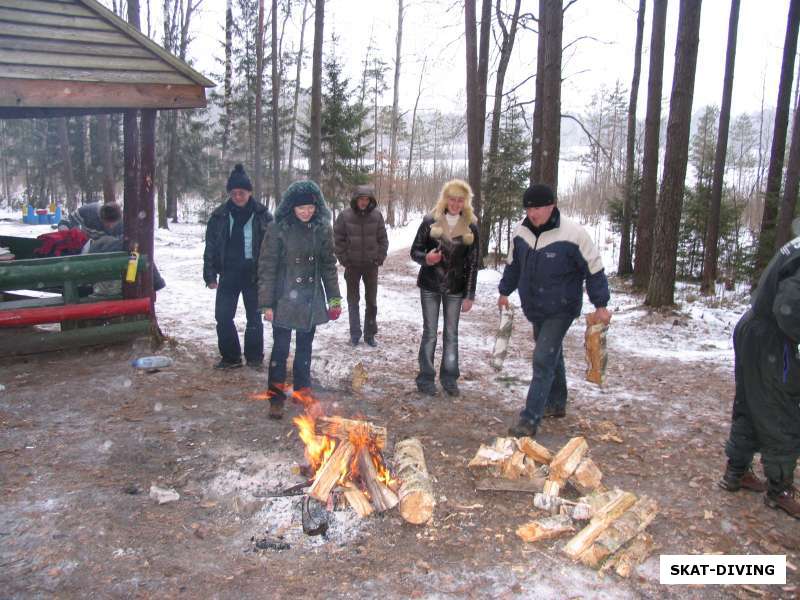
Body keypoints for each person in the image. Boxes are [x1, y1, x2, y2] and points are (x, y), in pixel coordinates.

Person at [498, 183, 611, 438]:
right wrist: (504, 291)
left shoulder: (573, 234)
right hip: (535, 306)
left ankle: (529, 420)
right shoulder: (521, 232)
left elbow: (594, 269)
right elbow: (513, 265)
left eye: (537, 208)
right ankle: (556, 402)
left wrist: (601, 304)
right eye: (528, 208)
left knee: (542, 358)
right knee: (550, 353)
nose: (532, 213)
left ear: (552, 206)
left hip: (562, 307)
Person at [718, 237, 800, 518]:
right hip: (772, 339)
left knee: (751, 405)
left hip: (753, 327)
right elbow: (788, 308)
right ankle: (780, 490)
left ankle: (736, 471)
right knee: (780, 411)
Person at [258, 180, 342, 420]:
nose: (307, 212)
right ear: (291, 208)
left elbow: (328, 265)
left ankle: (302, 392)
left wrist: (334, 299)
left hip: (310, 298)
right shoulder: (278, 229)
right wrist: (266, 303)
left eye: (310, 207)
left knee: (305, 349)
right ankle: (275, 397)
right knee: (280, 350)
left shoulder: (322, 229)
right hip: (283, 298)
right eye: (301, 208)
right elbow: (267, 267)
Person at [410, 179, 479, 397]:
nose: (456, 204)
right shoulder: (430, 221)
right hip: (430, 284)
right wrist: (427, 258)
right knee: (430, 333)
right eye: (452, 199)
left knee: (451, 334)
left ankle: (449, 378)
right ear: (445, 199)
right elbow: (415, 251)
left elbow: (473, 264)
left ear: (465, 202)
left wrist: (469, 294)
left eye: (460, 200)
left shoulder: (471, 226)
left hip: (456, 288)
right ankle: (425, 378)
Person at [203, 164, 273, 369]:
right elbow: (211, 247)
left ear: (249, 192)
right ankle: (231, 357)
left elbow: (272, 249)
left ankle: (254, 357)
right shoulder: (219, 216)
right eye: (234, 193)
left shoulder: (263, 215)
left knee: (254, 318)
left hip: (253, 275)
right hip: (228, 274)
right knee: (223, 317)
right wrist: (209, 274)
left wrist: (271, 275)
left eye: (241, 192)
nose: (238, 197)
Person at [333, 185, 389, 347]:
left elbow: (383, 239)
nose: (364, 202)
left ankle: (370, 334)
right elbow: (338, 240)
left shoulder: (377, 216)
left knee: (371, 301)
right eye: (361, 199)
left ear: (370, 201)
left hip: (371, 266)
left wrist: (380, 257)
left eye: (367, 199)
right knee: (353, 300)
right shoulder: (344, 216)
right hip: (352, 266)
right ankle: (355, 334)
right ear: (355, 200)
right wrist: (344, 259)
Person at [59, 201, 124, 240]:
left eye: (113, 224)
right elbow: (66, 220)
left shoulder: (122, 225)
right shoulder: (88, 211)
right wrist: (65, 231)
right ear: (100, 217)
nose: (110, 227)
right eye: (107, 223)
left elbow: (131, 246)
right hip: (89, 250)